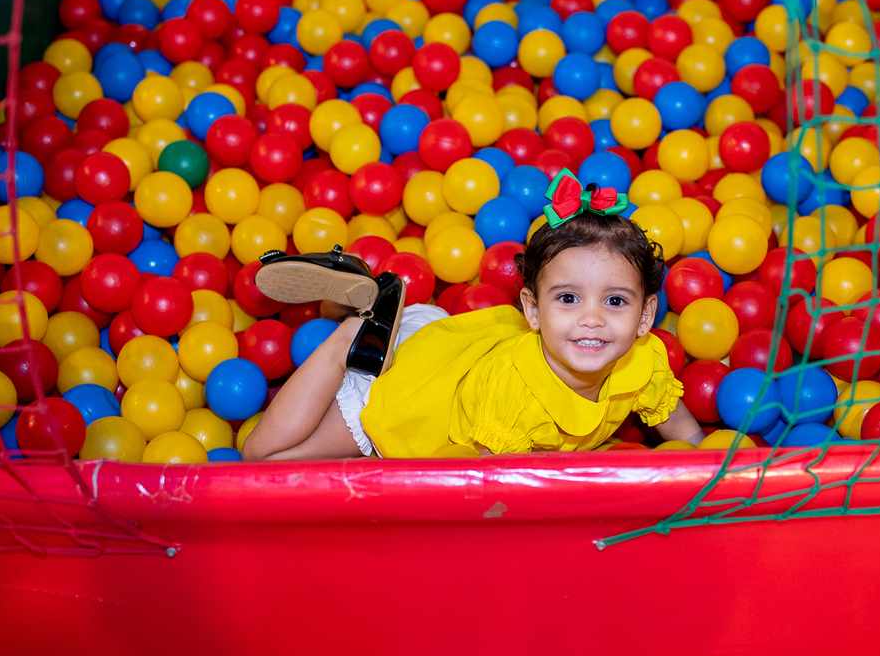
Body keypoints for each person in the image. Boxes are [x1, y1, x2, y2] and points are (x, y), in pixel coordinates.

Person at [242, 170, 703, 460]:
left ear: (646, 318)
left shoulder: (644, 364)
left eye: (615, 301)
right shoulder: (516, 395)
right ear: (532, 309)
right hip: (415, 386)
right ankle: (354, 331)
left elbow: (685, 434)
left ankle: (377, 310)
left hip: (456, 346)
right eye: (568, 299)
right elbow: (480, 491)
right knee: (262, 460)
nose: (592, 319)